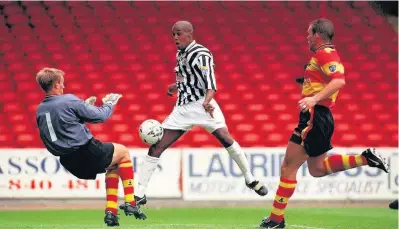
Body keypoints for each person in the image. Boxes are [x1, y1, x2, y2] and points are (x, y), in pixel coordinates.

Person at [259, 19, 390, 228]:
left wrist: (313, 98)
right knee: (317, 169)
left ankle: (276, 219)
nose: (307, 37)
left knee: (288, 167)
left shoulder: (325, 53)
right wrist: (309, 84)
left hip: (314, 115)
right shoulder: (323, 56)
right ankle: (366, 159)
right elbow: (328, 79)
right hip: (322, 116)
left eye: (309, 33)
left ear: (317, 34)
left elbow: (339, 80)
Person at [133, 20, 268, 206]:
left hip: (203, 104)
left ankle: (250, 178)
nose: (175, 37)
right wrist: (175, 86)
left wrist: (206, 101)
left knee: (226, 138)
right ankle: (139, 193)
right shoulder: (180, 53)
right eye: (173, 34)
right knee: (157, 146)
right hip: (182, 109)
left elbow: (210, 83)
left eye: (178, 33)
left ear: (189, 33)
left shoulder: (202, 54)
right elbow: (186, 77)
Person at [35, 68, 146, 227]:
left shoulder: (40, 110)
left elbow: (61, 129)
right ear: (57, 84)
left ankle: (111, 212)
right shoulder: (68, 100)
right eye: (62, 83)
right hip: (87, 152)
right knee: (124, 153)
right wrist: (110, 103)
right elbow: (101, 116)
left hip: (68, 162)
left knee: (114, 164)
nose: (64, 86)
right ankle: (130, 203)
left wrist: (79, 115)